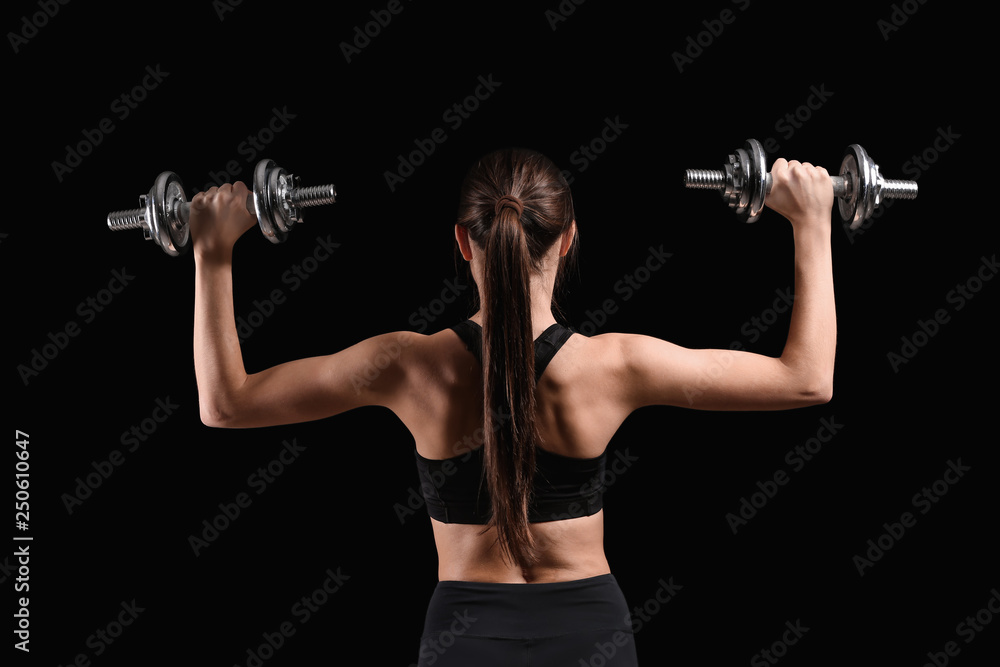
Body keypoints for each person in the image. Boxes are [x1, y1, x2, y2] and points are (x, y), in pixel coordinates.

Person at [188, 147, 835, 665]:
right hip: (591, 633)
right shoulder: (616, 366)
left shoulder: (407, 365)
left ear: (463, 242)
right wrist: (811, 223)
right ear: (569, 239)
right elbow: (806, 379)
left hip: (463, 635)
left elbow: (227, 404)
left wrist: (213, 254)